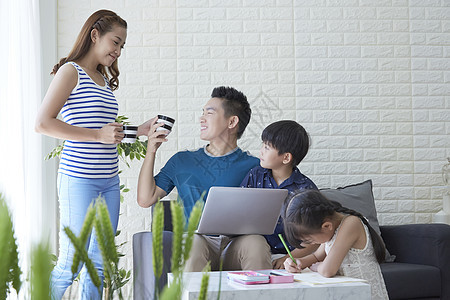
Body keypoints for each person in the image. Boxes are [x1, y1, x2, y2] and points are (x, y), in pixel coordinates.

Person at [35, 10, 152, 299]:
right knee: (72, 263)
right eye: (116, 42)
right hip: (79, 180)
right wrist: (98, 135)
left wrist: (140, 130)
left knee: (98, 266)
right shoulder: (70, 71)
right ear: (95, 35)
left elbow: (105, 132)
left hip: (109, 181)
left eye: (122, 46)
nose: (118, 51)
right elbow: (42, 123)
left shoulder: (101, 79)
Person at [137, 86, 272, 272]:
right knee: (192, 244)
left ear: (232, 122)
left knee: (256, 243)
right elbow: (146, 199)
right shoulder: (182, 161)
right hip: (197, 242)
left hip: (236, 244)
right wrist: (151, 150)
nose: (201, 118)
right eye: (203, 113)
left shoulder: (256, 166)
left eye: (209, 113)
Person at [240, 120, 319, 269]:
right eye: (262, 145)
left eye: (267, 147)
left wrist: (288, 258)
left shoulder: (306, 190)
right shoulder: (255, 175)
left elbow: (315, 239)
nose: (261, 151)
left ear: (286, 158)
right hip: (254, 250)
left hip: (290, 256)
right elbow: (239, 210)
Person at [283, 190, 389, 300]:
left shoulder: (351, 224)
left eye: (310, 240)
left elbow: (327, 270)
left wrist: (318, 266)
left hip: (364, 294)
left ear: (326, 226)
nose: (312, 244)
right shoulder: (331, 231)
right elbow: (316, 256)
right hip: (346, 292)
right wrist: (299, 262)